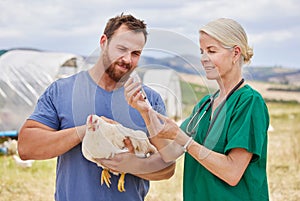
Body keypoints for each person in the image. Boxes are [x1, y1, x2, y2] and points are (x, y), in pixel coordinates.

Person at [17, 13, 175, 201]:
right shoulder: (62, 91)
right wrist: (89, 130)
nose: (127, 59)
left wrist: (131, 165)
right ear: (103, 42)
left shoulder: (149, 101)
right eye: (121, 48)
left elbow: (167, 169)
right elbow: (26, 148)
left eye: (136, 53)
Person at [124, 18, 270, 201]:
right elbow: (170, 152)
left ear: (235, 53)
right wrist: (145, 112)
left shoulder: (249, 102)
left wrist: (184, 139)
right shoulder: (205, 106)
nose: (203, 59)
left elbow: (232, 172)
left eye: (211, 51)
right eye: (202, 51)